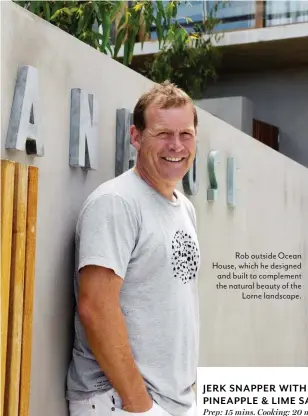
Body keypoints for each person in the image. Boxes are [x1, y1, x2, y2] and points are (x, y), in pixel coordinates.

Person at [66, 81, 200, 416]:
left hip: (170, 402)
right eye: (162, 134)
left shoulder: (184, 208)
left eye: (186, 134)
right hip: (117, 401)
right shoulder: (117, 202)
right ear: (136, 137)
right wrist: (139, 403)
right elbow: (95, 307)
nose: (176, 145)